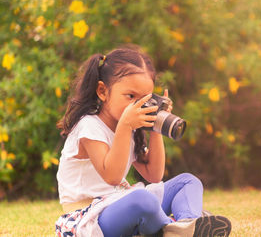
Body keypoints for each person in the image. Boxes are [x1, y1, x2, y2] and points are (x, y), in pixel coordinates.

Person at [54, 48, 231, 237]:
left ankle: (187, 223)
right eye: (130, 96)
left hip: (121, 204)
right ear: (102, 91)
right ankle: (174, 228)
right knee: (143, 200)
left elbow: (154, 175)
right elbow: (112, 176)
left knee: (187, 181)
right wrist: (125, 126)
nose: (138, 106)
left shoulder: (129, 128)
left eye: (145, 99)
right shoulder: (89, 126)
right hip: (91, 218)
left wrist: (158, 122)